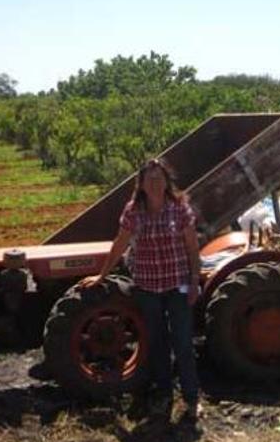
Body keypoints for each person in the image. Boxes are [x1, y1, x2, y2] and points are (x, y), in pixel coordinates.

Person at [81, 158, 202, 421]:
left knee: (182, 342)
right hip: (147, 287)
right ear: (142, 185)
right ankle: (164, 396)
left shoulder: (179, 208)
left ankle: (192, 398)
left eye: (159, 179)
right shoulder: (134, 210)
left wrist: (194, 281)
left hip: (177, 284)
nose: (155, 184)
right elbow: (120, 244)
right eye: (150, 180)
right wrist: (101, 276)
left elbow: (192, 247)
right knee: (157, 343)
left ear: (166, 182)